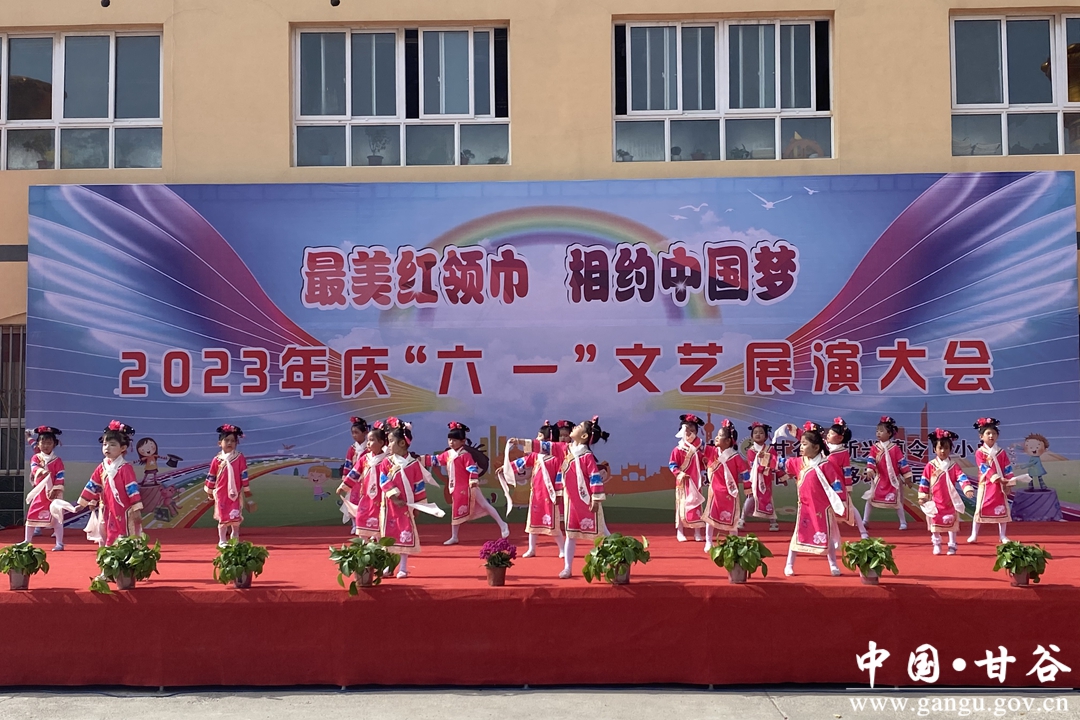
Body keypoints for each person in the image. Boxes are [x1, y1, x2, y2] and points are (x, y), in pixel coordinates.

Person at [420, 421, 509, 545]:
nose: (451, 442)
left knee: (484, 505)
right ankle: (454, 536)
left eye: (455, 440)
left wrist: (473, 481)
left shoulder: (465, 455)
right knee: (455, 510)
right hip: (455, 487)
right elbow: (435, 460)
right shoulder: (448, 454)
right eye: (450, 440)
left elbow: (472, 468)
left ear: (463, 441)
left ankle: (503, 524)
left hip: (469, 486)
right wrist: (420, 459)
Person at [380, 418, 445, 578]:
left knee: (405, 534)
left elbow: (419, 486)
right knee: (389, 535)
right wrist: (394, 496)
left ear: (402, 443)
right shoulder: (387, 462)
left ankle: (403, 567)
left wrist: (419, 505)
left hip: (406, 506)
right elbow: (383, 480)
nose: (388, 445)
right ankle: (389, 565)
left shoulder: (414, 464)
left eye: (391, 441)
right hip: (390, 506)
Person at [782, 422, 846, 577]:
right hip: (805, 507)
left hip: (823, 508)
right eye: (801, 444)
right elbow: (782, 463)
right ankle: (789, 565)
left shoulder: (826, 465)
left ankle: (833, 565)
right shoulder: (799, 462)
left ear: (816, 447)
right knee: (798, 535)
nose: (801, 447)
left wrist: (841, 501)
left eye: (805, 444)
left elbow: (836, 484)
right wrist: (766, 458)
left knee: (826, 536)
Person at [77, 420, 142, 547]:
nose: (107, 448)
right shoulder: (102, 467)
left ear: (123, 448)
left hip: (123, 508)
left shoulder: (125, 468)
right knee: (105, 530)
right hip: (106, 506)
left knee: (124, 531)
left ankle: (126, 554)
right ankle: (107, 554)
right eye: (105, 444)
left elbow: (132, 489)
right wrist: (86, 502)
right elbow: (94, 485)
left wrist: (137, 508)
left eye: (112, 445)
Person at [505, 421, 565, 558]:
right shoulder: (535, 455)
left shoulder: (557, 458)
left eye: (539, 436)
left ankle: (562, 549)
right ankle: (531, 549)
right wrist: (506, 468)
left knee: (553, 524)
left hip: (550, 494)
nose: (537, 438)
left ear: (548, 439)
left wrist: (558, 493)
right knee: (532, 522)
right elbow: (522, 462)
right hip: (536, 494)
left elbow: (559, 477)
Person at [918, 429, 972, 556]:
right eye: (940, 448)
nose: (943, 451)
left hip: (949, 500)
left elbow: (961, 477)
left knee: (951, 523)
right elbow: (924, 481)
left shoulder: (953, 465)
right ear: (934, 449)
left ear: (950, 449)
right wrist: (922, 496)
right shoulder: (930, 466)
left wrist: (967, 488)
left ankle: (952, 545)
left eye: (946, 448)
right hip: (935, 500)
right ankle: (936, 543)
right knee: (934, 523)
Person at [204, 424, 255, 548]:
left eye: (233, 441)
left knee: (235, 516)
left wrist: (246, 489)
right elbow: (212, 475)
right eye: (226, 440)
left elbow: (243, 474)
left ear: (236, 443)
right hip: (221, 493)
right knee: (223, 516)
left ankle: (234, 538)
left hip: (235, 493)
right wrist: (209, 490)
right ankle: (222, 540)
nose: (229, 443)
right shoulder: (217, 460)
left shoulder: (239, 457)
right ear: (219, 443)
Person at [702, 419, 748, 552]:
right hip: (715, 491)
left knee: (732, 520)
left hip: (730, 492)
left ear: (728, 441)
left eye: (720, 435)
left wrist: (748, 487)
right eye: (716, 434)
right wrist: (688, 433)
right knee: (710, 517)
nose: (716, 437)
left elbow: (745, 473)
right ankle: (708, 542)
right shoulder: (712, 451)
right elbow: (699, 445)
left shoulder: (735, 457)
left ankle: (734, 543)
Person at [338, 421, 389, 537]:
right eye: (353, 433)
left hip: (381, 492)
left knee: (380, 513)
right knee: (362, 510)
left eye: (371, 440)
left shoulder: (386, 459)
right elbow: (354, 471)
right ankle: (360, 531)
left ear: (381, 443)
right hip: (365, 490)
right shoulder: (364, 456)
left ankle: (377, 536)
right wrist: (344, 485)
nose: (368, 443)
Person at [968, 417, 1013, 544]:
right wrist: (995, 477)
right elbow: (983, 467)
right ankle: (974, 534)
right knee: (979, 509)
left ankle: (1002, 535)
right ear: (981, 436)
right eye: (988, 433)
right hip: (986, 484)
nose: (991, 436)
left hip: (1000, 485)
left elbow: (1007, 467)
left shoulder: (1001, 452)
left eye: (994, 433)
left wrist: (1009, 481)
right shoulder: (980, 452)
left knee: (1002, 509)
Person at [863, 415, 913, 530]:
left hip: (893, 480)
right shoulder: (875, 448)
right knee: (871, 499)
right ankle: (865, 520)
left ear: (889, 433)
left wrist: (907, 477)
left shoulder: (894, 448)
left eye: (881, 431)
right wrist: (870, 470)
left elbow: (902, 463)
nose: (878, 433)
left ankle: (903, 522)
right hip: (880, 479)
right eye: (877, 431)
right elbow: (871, 459)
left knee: (897, 502)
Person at [826, 417, 868, 544]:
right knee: (826, 510)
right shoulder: (823, 447)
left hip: (837, 485)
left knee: (850, 507)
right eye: (828, 433)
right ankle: (832, 538)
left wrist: (848, 487)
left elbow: (847, 471)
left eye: (831, 433)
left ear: (840, 438)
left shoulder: (843, 452)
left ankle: (863, 531)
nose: (828, 435)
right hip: (824, 483)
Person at [23, 426, 66, 551]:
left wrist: (56, 489)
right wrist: (42, 471)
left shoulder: (57, 460)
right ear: (38, 444)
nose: (46, 446)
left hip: (54, 492)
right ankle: (27, 541)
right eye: (43, 443)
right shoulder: (36, 457)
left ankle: (59, 543)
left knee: (56, 518)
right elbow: (34, 467)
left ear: (54, 444)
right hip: (39, 492)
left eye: (49, 443)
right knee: (31, 515)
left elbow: (60, 476)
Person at [669, 414, 708, 543]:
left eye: (692, 430)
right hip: (683, 483)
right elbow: (672, 465)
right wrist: (679, 474)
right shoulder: (677, 450)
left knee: (697, 507)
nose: (690, 433)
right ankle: (680, 531)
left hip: (695, 482)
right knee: (682, 506)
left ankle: (697, 532)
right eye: (687, 430)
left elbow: (703, 463)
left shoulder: (699, 449)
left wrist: (705, 461)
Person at [740, 422, 780, 532]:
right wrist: (764, 467)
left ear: (766, 436)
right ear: (752, 436)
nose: (758, 434)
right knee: (751, 497)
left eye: (761, 433)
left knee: (768, 498)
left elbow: (775, 462)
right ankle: (742, 519)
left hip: (766, 479)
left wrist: (781, 475)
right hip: (754, 479)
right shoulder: (751, 451)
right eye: (755, 432)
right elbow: (752, 465)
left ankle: (773, 521)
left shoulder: (770, 450)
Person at [337, 417, 370, 530]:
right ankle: (355, 524)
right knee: (353, 501)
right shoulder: (352, 449)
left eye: (357, 432)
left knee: (366, 502)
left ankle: (366, 524)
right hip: (354, 480)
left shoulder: (370, 448)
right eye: (352, 433)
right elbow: (348, 464)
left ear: (365, 432)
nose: (354, 435)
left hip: (367, 479)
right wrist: (346, 478)